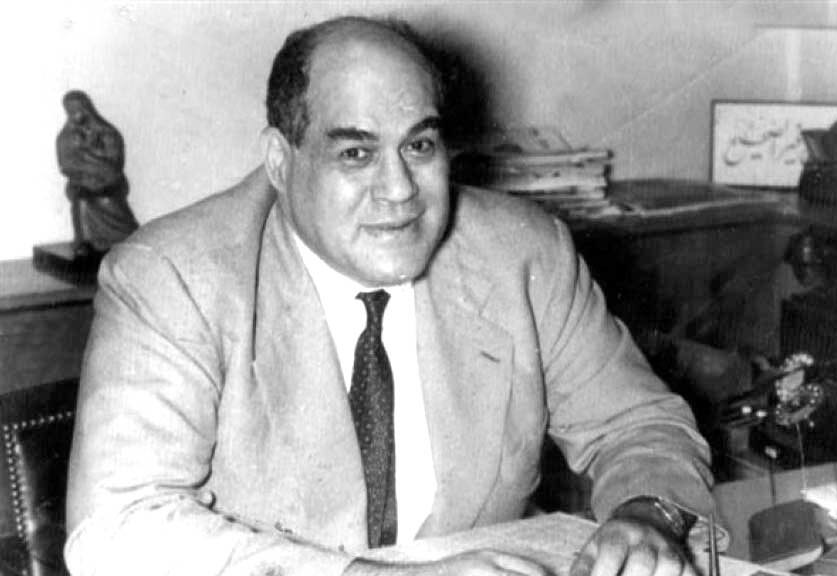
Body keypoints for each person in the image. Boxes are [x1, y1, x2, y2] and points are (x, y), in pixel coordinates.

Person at [65, 15, 719, 576]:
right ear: (280, 162)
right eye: (356, 154)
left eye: (420, 146)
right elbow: (117, 527)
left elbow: (641, 424)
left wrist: (648, 514)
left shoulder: (522, 254)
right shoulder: (173, 277)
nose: (400, 189)